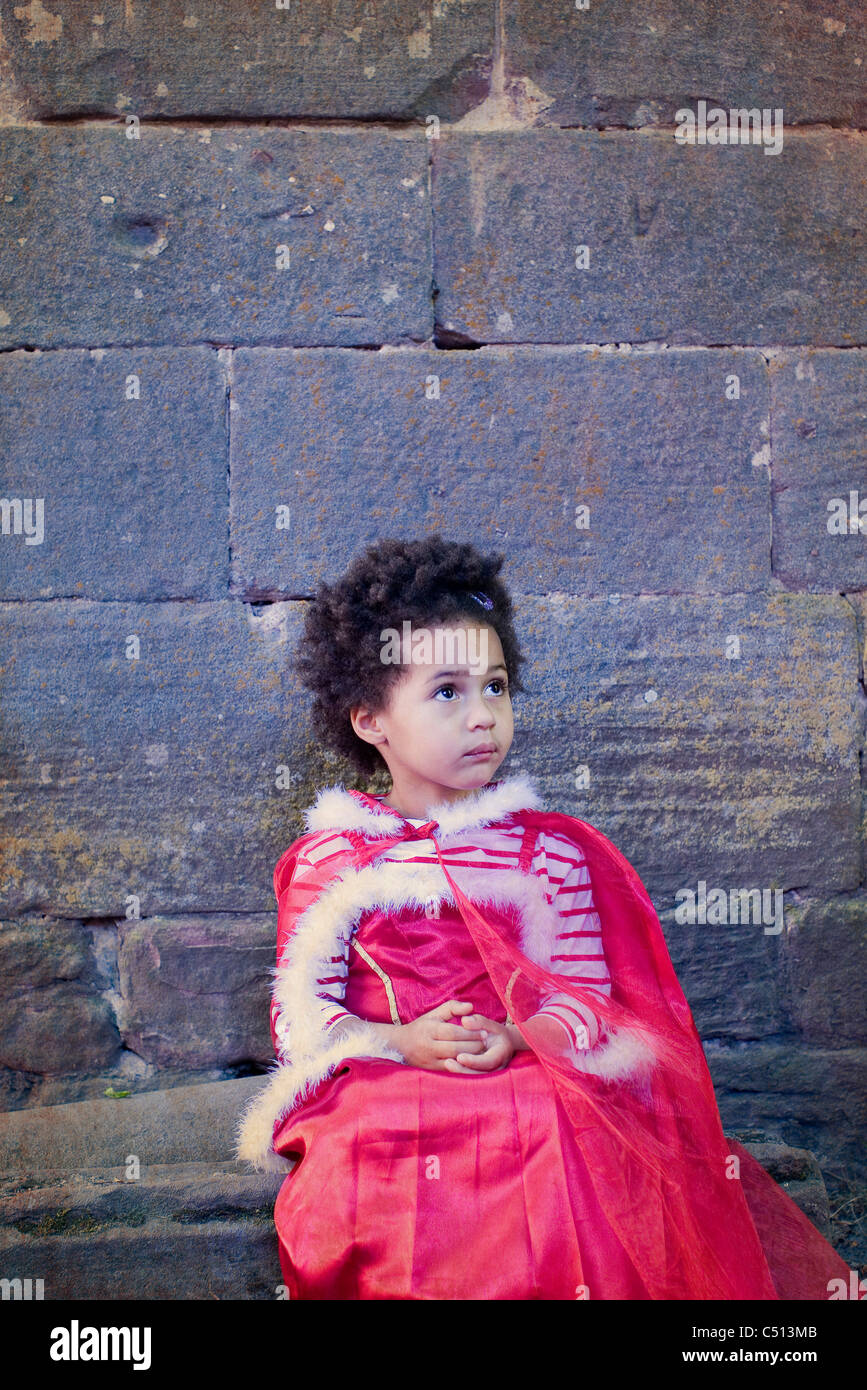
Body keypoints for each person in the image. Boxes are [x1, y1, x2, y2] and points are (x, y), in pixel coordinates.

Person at [236, 534, 854, 1301]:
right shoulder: (335, 860)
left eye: (495, 687)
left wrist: (516, 1036)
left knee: (556, 1122)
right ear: (370, 720)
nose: (482, 717)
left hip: (523, 1067)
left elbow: (586, 995)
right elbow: (299, 1019)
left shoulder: (547, 855)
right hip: (382, 1076)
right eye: (446, 692)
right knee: (372, 1143)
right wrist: (400, 1042)